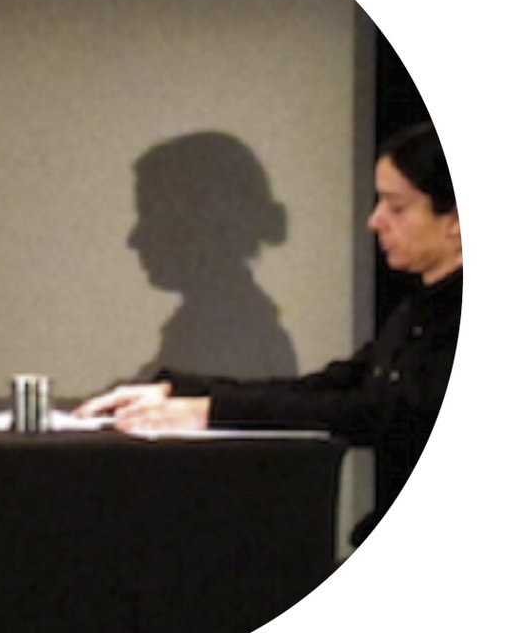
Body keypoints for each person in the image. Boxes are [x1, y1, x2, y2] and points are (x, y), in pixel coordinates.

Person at [76, 121, 461, 545]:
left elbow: (382, 411)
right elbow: (330, 386)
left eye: (397, 207)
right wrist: (181, 391)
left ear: (456, 220)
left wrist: (207, 411)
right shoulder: (417, 310)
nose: (375, 221)